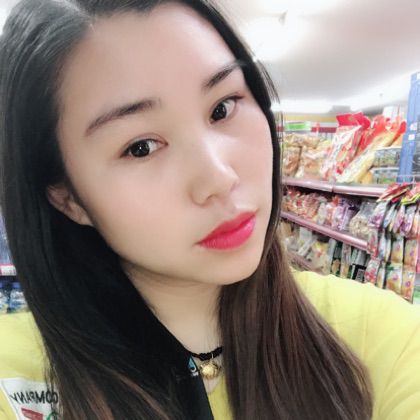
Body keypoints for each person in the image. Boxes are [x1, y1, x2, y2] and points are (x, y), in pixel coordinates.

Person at [0, 0, 419, 419]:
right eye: (140, 147)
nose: (219, 177)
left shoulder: (380, 334)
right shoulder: (15, 377)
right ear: (68, 197)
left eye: (223, 108)